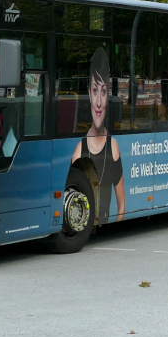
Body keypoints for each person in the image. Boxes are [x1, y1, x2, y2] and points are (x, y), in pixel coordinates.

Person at [70, 47, 125, 223]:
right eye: (95, 91)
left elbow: (122, 207)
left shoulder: (113, 146)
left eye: (103, 91)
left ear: (108, 95)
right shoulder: (79, 151)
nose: (99, 102)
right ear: (89, 94)